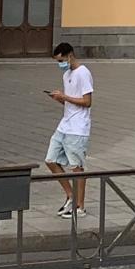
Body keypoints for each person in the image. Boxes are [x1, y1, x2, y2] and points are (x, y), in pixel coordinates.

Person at [43, 42, 95, 218]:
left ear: (70, 55)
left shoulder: (83, 73)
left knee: (77, 167)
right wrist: (59, 98)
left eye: (61, 60)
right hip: (65, 124)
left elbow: (87, 102)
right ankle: (70, 196)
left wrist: (64, 96)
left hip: (78, 127)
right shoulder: (67, 75)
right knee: (50, 159)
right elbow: (71, 101)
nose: (60, 64)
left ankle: (80, 206)